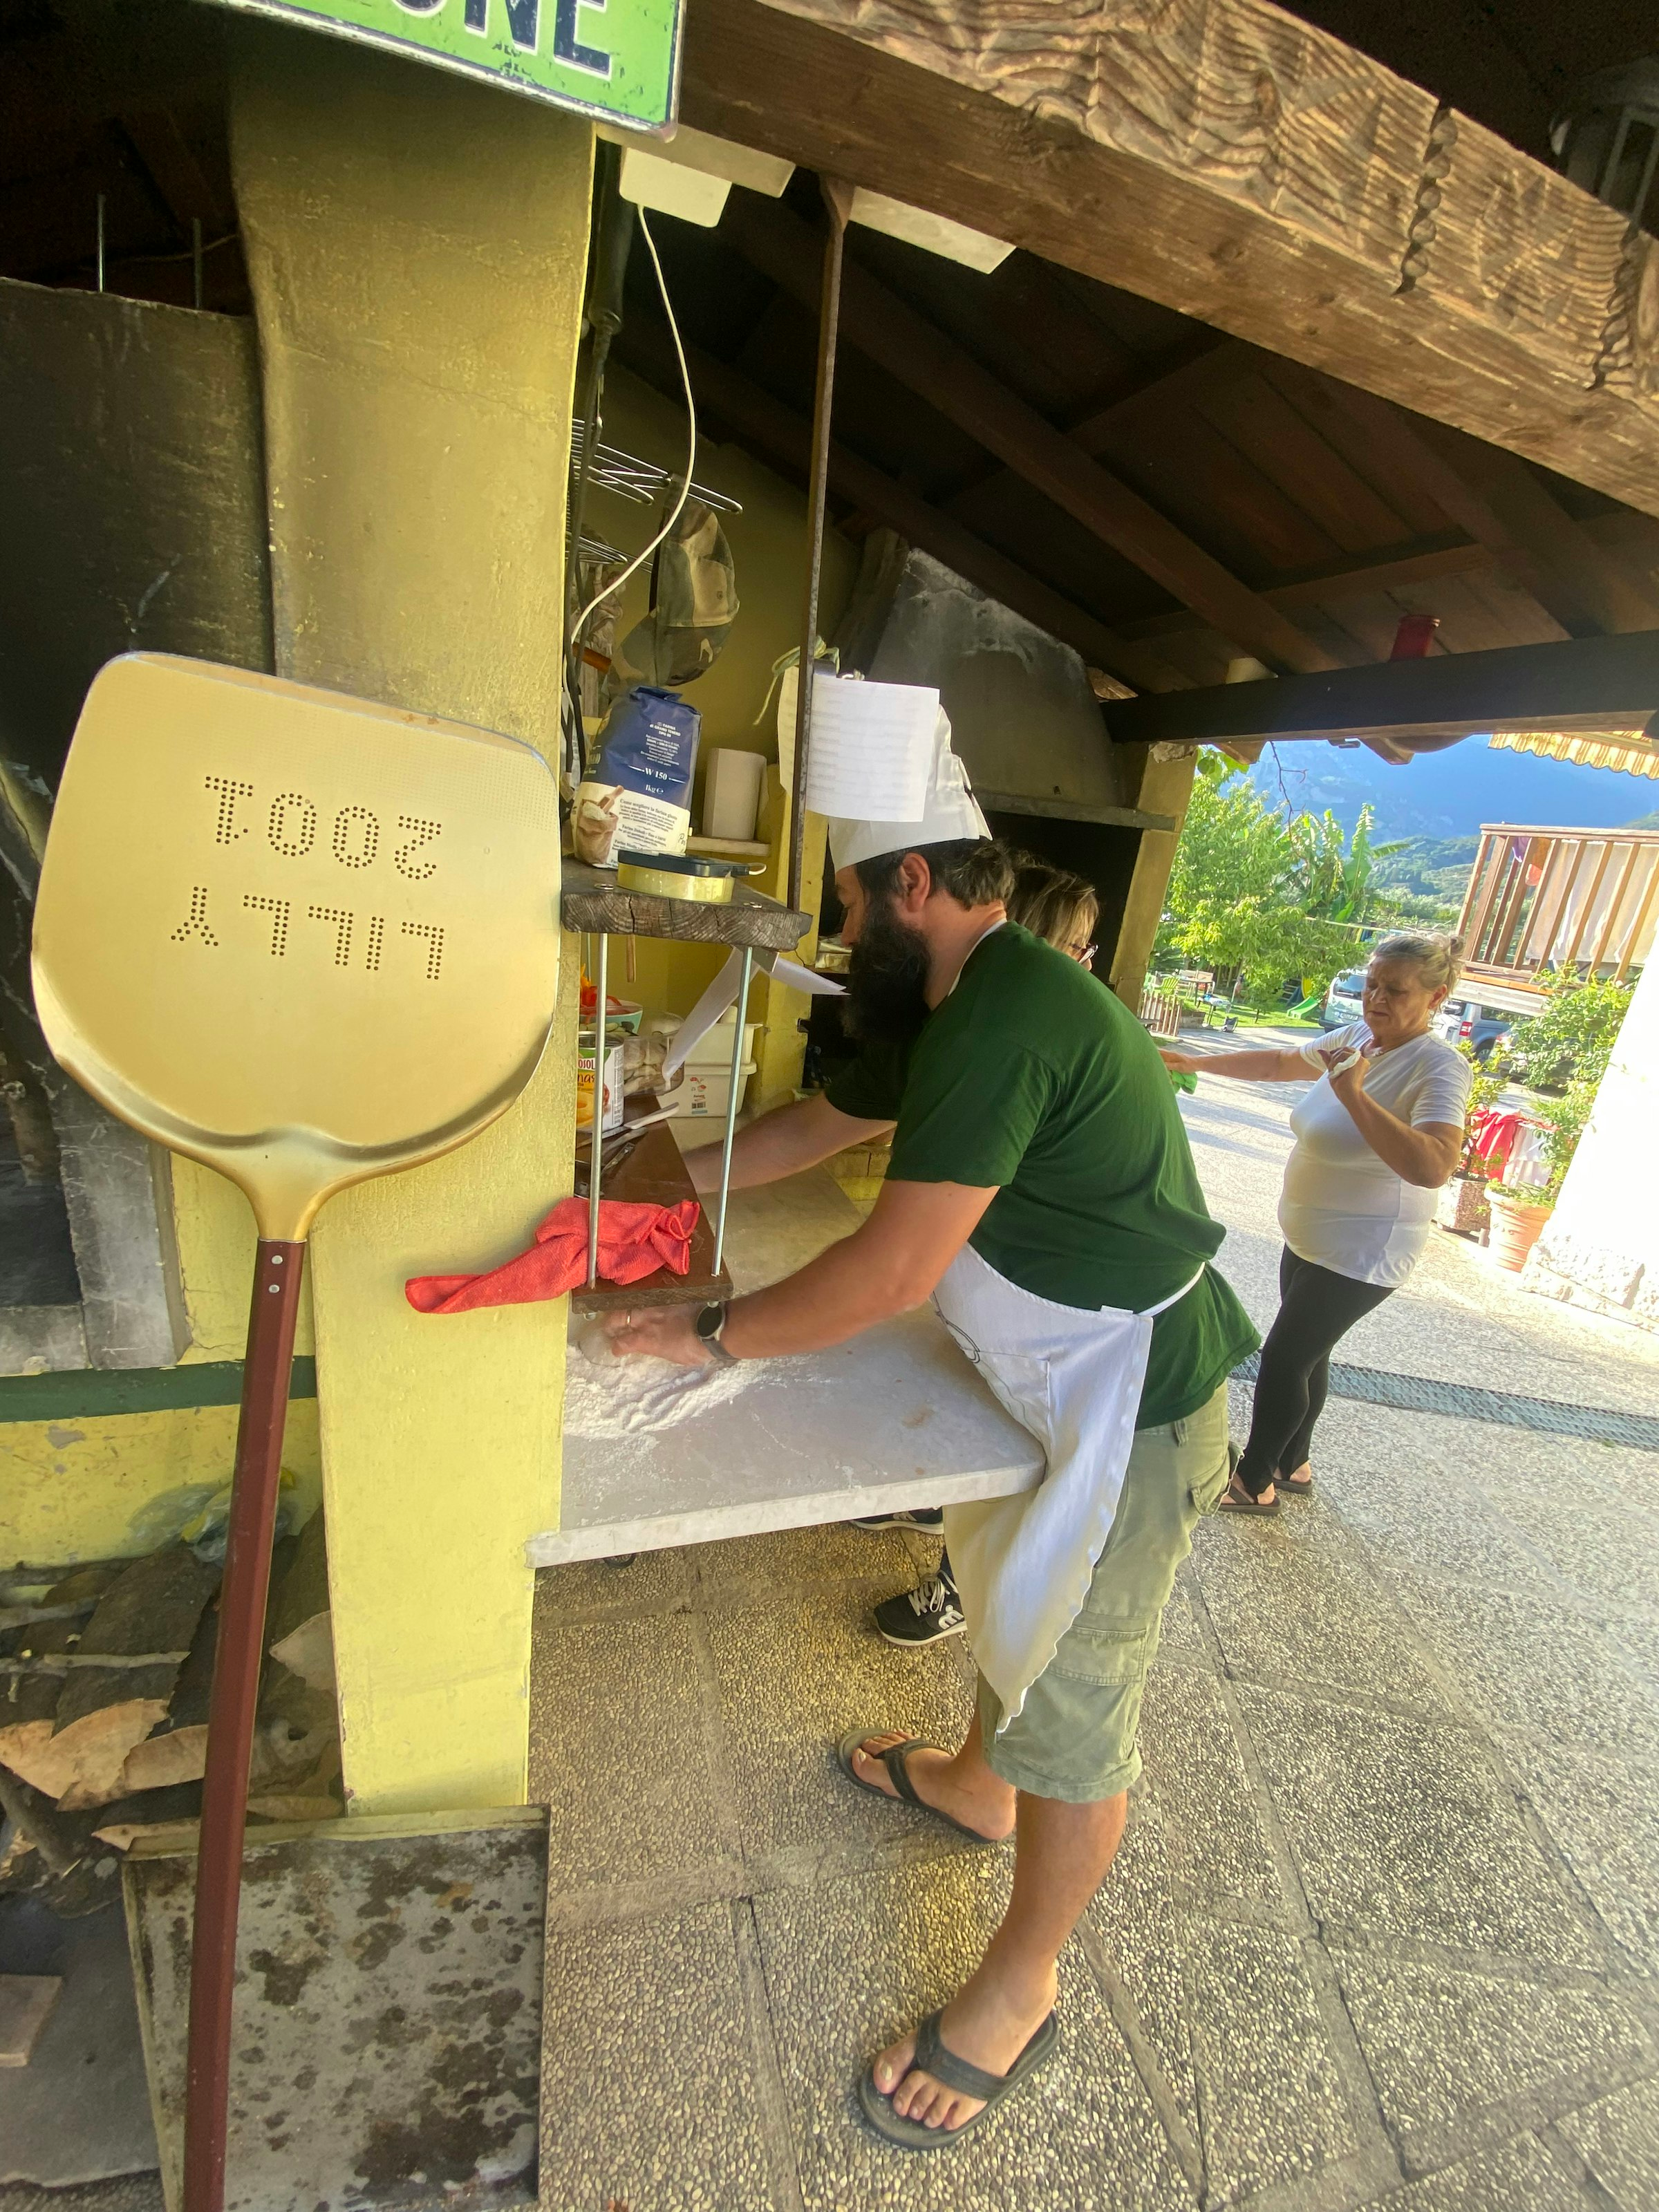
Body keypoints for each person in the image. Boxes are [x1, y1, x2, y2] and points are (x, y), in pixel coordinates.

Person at [603, 713, 1257, 2148]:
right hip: (1046, 1366)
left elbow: (893, 1267)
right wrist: (631, 1179)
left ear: (914, 884)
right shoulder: (961, 998)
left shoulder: (1012, 1015)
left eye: (848, 902)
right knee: (1010, 1579)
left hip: (1135, 1398)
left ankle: (1023, 1985)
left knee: (1079, 1702)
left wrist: (706, 1336)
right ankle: (973, 1786)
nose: (843, 932)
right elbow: (812, 1129)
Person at [855, 852, 1102, 1649]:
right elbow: (834, 1120)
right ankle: (934, 1508)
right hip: (1002, 1311)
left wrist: (720, 1334)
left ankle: (958, 1587)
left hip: (1073, 1334)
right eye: (1078, 945)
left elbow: (895, 1269)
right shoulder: (975, 1021)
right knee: (976, 1427)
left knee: (1023, 1504)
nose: (1084, 963)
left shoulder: (1024, 1034)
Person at [1161, 932, 1470, 1513]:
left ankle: (1253, 1482)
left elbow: (1433, 1166)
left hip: (1365, 1248)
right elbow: (1281, 1062)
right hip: (1312, 1236)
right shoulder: (1356, 1037)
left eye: (1395, 990)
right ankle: (1291, 1462)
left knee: (1285, 1358)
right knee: (1310, 1355)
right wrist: (1192, 1061)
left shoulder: (1439, 1068)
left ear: (1436, 998)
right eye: (1372, 984)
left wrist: (1354, 1095)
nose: (1376, 999)